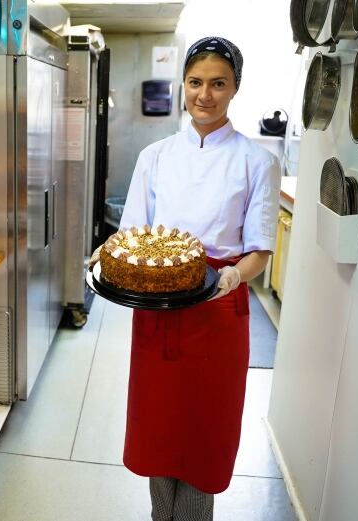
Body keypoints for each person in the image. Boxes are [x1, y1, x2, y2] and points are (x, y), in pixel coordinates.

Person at [116, 36, 281, 520]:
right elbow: (131, 238)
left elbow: (260, 253)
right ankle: (158, 515)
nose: (204, 95)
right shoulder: (156, 156)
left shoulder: (258, 162)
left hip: (218, 311)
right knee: (158, 426)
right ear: (183, 85)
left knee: (203, 430)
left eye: (217, 84)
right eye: (195, 82)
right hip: (159, 310)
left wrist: (229, 279)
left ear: (235, 89)